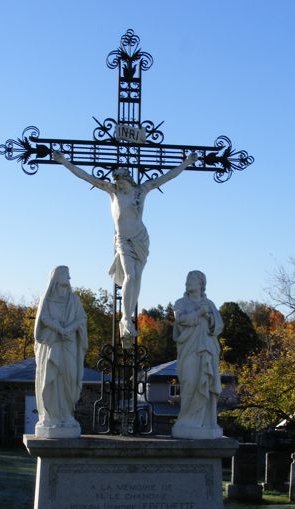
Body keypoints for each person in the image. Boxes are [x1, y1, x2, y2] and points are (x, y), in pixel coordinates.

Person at [52, 151, 198, 342]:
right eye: (118, 183)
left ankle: (128, 317)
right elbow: (85, 176)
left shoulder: (141, 191)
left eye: (122, 182)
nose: (120, 186)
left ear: (129, 180)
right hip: (122, 240)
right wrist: (64, 162)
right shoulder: (112, 192)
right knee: (130, 276)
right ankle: (126, 318)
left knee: (137, 279)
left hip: (140, 239)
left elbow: (166, 177)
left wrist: (186, 163)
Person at [34, 266, 88, 438]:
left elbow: (81, 318)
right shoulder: (47, 299)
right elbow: (44, 318)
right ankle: (52, 417)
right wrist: (59, 329)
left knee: (69, 378)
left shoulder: (73, 300)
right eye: (65, 273)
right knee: (52, 378)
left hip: (69, 344)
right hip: (53, 344)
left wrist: (69, 328)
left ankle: (67, 416)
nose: (69, 277)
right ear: (56, 277)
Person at [172, 270, 224, 439]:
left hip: (206, 350)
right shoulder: (180, 303)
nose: (187, 282)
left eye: (191, 279)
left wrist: (209, 319)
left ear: (201, 284)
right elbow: (179, 320)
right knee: (189, 381)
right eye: (187, 279)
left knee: (205, 383)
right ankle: (186, 420)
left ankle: (205, 422)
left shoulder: (209, 304)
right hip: (189, 349)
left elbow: (218, 326)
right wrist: (198, 314)